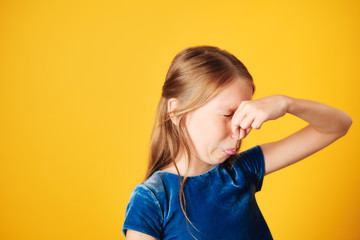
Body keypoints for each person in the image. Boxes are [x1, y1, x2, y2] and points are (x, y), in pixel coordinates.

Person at [122, 45, 352, 240]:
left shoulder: (242, 170)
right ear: (177, 112)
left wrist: (286, 104)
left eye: (245, 115)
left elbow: (339, 125)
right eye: (228, 115)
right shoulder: (152, 199)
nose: (241, 131)